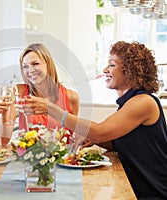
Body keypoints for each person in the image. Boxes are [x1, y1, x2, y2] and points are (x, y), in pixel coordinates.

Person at [17, 41, 167, 199]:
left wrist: (51, 109)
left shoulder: (143, 102)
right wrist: (92, 139)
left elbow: (101, 132)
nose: (105, 70)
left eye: (111, 65)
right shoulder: (129, 102)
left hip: (153, 193)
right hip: (137, 188)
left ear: (130, 70)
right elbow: (117, 142)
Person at [0, 43, 79, 145]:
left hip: (61, 159)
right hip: (28, 158)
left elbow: (74, 138)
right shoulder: (19, 93)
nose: (30, 70)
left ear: (48, 64)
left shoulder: (70, 97)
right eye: (25, 67)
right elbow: (3, 141)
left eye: (35, 64)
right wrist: (5, 112)